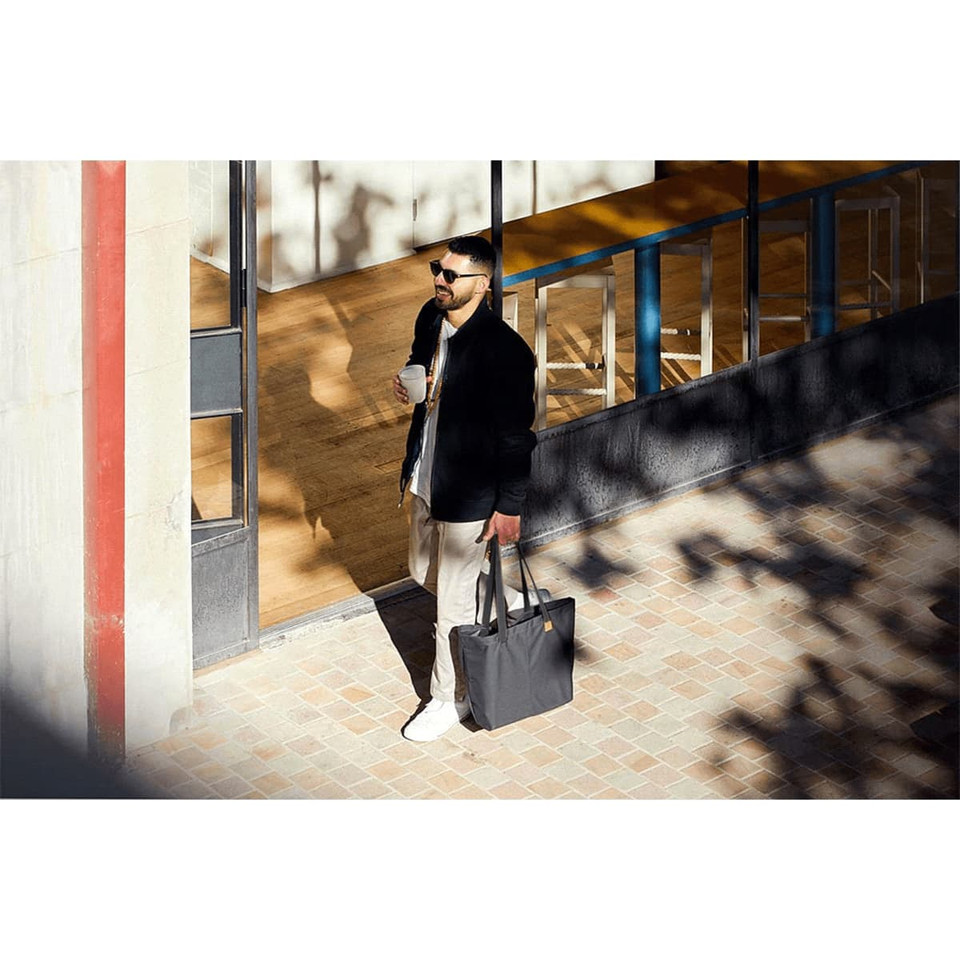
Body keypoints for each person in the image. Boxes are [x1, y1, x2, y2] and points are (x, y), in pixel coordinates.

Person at [393, 235, 537, 741]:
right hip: (426, 476)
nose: (439, 279)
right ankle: (498, 597)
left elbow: (517, 439)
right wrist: (410, 377)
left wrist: (508, 507)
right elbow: (418, 362)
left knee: (448, 610)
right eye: (438, 269)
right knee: (420, 572)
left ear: (483, 283)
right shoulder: (431, 319)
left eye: (451, 275)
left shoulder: (506, 354)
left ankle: (449, 699)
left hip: (471, 495)